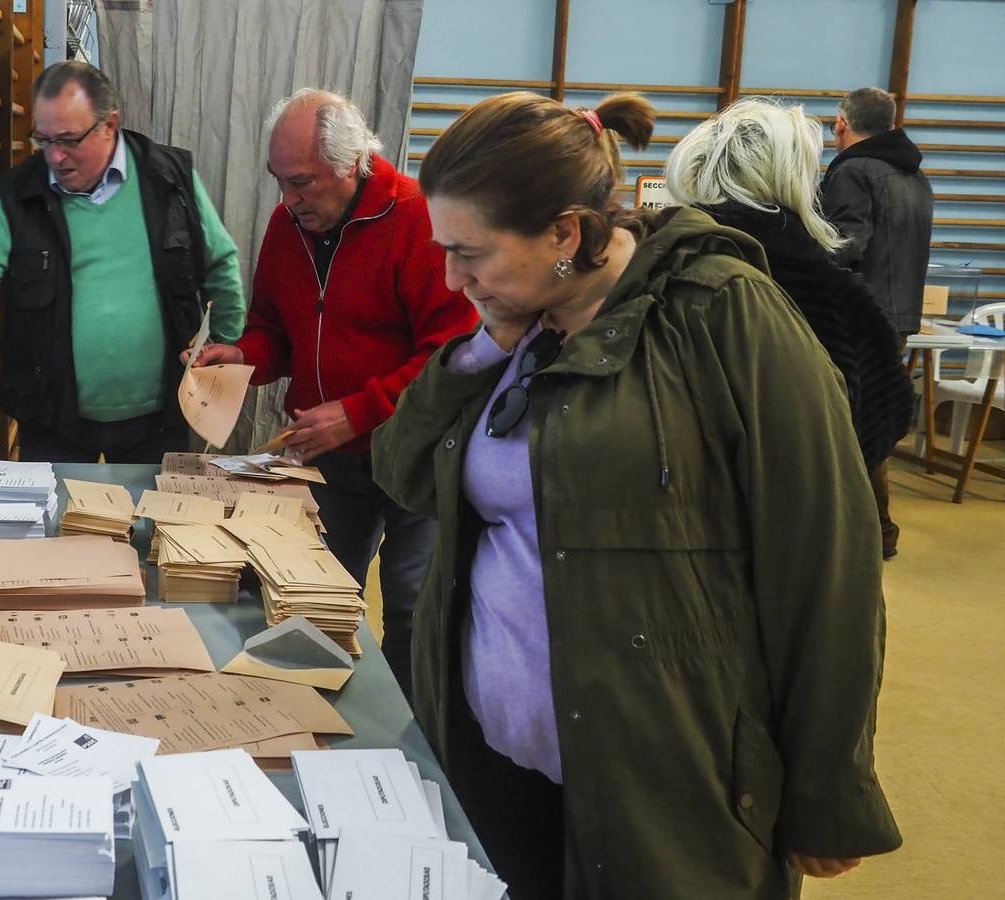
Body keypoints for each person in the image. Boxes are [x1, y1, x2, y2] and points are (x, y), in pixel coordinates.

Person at [372, 91, 901, 898]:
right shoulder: (516, 324)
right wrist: (479, 350)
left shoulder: (724, 313)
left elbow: (827, 560)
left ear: (565, 234)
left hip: (663, 788)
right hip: (494, 763)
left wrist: (830, 789)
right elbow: (404, 474)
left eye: (470, 253)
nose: (451, 276)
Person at [190, 89, 477, 696]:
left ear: (351, 165)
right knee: (309, 595)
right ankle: (316, 726)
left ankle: (409, 744)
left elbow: (451, 356)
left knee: (408, 607)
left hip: (415, 455)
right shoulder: (287, 225)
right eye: (280, 182)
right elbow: (275, 329)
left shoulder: (417, 220)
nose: (288, 201)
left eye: (302, 183)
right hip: (329, 462)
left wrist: (358, 413)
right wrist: (242, 355)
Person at [0, 61, 245, 464]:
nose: (55, 157)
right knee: (57, 526)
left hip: (160, 416)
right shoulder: (16, 195)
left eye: (68, 140)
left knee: (150, 525)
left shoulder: (169, 178)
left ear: (109, 125)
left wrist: (224, 343)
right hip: (51, 417)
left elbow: (221, 261)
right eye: (43, 141)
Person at [665, 96, 915, 474]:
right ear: (793, 174)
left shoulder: (662, 263)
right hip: (793, 501)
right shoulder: (828, 290)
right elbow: (881, 418)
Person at [821, 86, 933, 558]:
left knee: (850, 424)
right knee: (876, 418)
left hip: (858, 316)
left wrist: (806, 249)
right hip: (900, 313)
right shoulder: (914, 176)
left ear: (842, 125)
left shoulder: (854, 171)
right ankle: (878, 529)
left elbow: (848, 243)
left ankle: (871, 531)